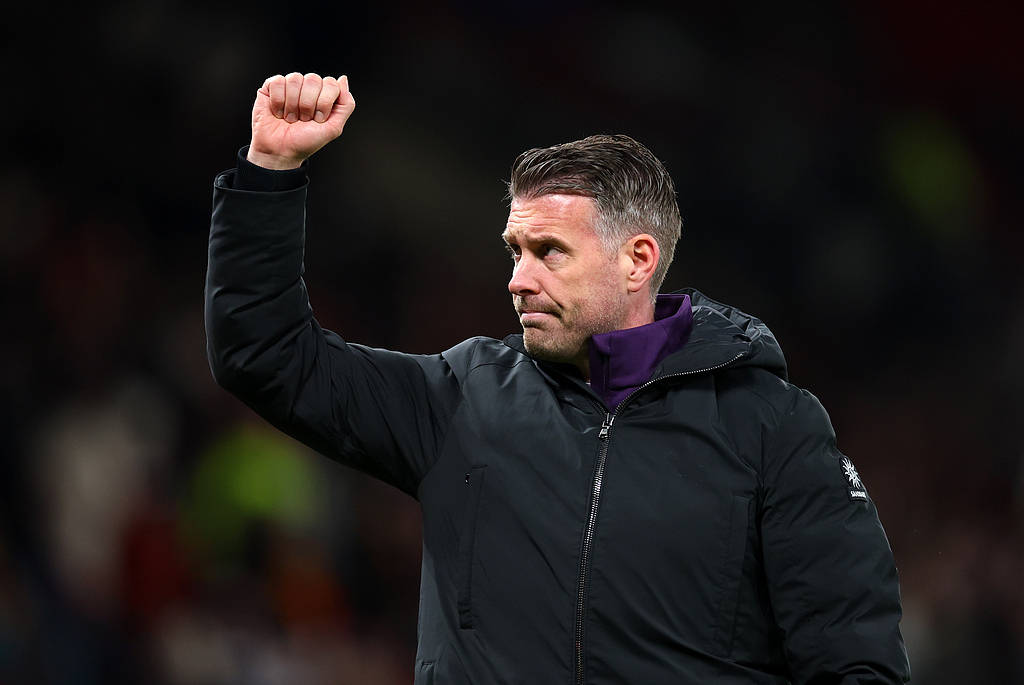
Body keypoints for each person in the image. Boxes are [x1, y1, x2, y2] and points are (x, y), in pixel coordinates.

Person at [205, 72, 911, 684]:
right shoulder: (461, 396)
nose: (518, 279)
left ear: (637, 260)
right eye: (515, 250)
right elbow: (266, 355)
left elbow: (853, 656)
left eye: (549, 251)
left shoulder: (770, 426)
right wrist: (270, 170)